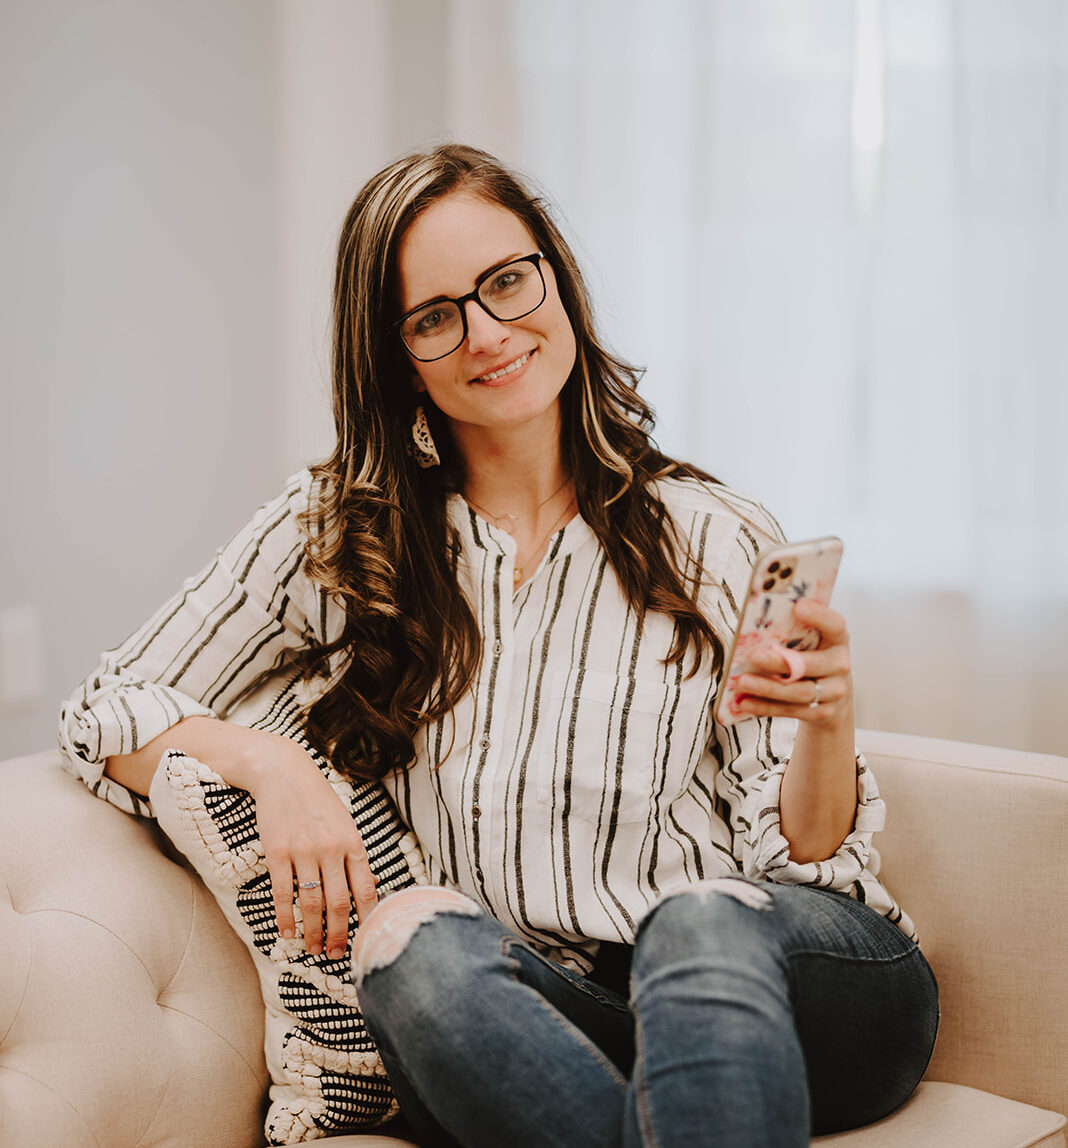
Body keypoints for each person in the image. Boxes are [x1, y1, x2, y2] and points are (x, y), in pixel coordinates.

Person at [60, 144, 937, 1147]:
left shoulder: (713, 533)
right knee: (409, 949)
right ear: (397, 355)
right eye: (436, 316)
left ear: (554, 276)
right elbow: (109, 702)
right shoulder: (342, 538)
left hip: (793, 986)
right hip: (556, 1020)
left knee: (695, 921)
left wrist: (828, 718)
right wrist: (272, 764)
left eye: (507, 282)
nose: (488, 332)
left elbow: (807, 859)